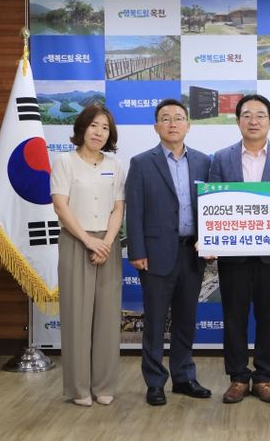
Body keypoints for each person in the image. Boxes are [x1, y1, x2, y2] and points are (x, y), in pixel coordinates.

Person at [209, 94, 270, 404]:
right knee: (233, 317)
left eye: (260, 115)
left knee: (268, 316)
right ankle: (237, 377)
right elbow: (211, 204)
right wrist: (209, 239)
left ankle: (263, 377)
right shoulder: (221, 158)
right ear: (238, 121)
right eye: (247, 115)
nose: (253, 120)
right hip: (233, 254)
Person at [126, 98, 212, 406]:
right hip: (155, 254)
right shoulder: (141, 163)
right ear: (156, 126)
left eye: (178, 118)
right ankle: (154, 382)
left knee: (186, 320)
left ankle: (184, 377)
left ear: (188, 125)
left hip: (192, 253)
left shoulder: (204, 161)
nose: (172, 123)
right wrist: (136, 250)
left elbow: (212, 206)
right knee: (155, 321)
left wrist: (212, 241)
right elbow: (134, 211)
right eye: (165, 118)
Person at [50, 104, 125, 407]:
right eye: (94, 125)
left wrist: (106, 241)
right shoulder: (64, 162)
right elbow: (60, 206)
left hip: (108, 244)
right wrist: (88, 240)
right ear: (82, 128)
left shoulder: (115, 165)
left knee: (107, 317)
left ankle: (104, 385)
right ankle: (79, 389)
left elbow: (118, 207)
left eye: (105, 128)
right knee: (76, 317)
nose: (99, 132)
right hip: (75, 241)